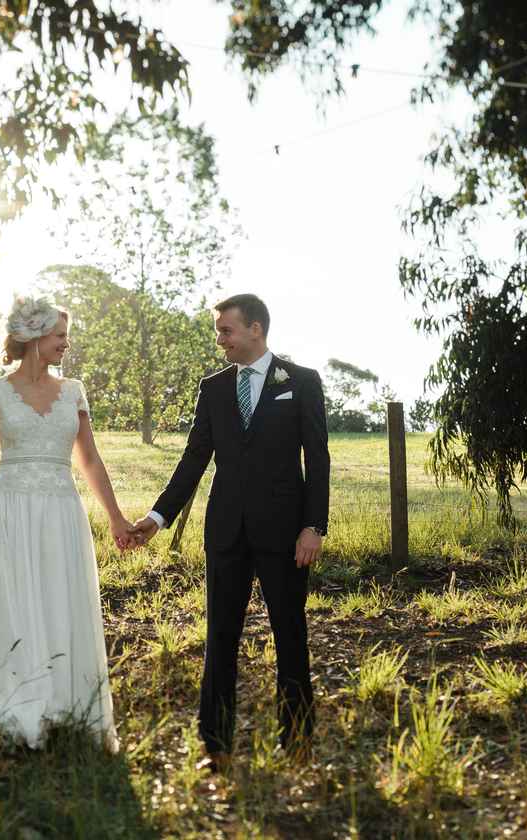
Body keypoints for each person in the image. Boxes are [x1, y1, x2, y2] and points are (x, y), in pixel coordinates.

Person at [129, 293, 330, 773]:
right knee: (220, 636)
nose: (220, 338)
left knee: (290, 633)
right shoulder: (214, 388)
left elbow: (317, 460)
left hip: (286, 536)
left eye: (226, 330)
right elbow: (195, 458)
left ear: (255, 330)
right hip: (225, 534)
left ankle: (298, 741)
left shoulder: (300, 382)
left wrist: (313, 526)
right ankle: (215, 745)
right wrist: (157, 518)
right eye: (219, 330)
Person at [0, 296, 133, 752]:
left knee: (62, 599)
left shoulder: (74, 390)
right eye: (59, 335)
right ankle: (20, 711)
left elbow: (91, 460)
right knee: (17, 601)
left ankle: (67, 707)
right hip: (10, 509)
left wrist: (115, 517)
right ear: (35, 337)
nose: (66, 342)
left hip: (61, 510)